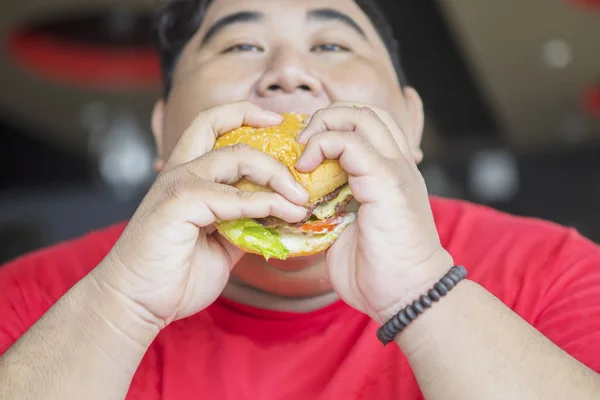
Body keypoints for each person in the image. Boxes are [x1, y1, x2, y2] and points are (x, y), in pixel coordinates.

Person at [1, 0, 600, 398]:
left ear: (411, 124)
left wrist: (422, 292)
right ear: (164, 132)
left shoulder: (556, 273)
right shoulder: (29, 297)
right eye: (239, 47)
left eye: (334, 46)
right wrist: (120, 308)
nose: (289, 73)